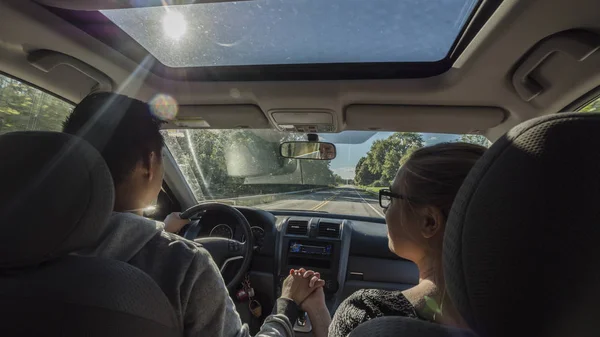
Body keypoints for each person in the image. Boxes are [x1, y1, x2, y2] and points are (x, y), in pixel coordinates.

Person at [63, 92, 326, 337]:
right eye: (162, 156)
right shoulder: (185, 264)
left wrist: (163, 228)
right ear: (148, 162)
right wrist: (287, 305)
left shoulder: (30, 244)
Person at [329, 142, 486, 336]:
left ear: (429, 221)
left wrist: (290, 306)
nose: (386, 210)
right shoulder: (527, 316)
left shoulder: (367, 313)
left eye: (392, 198)